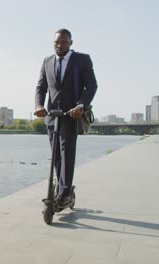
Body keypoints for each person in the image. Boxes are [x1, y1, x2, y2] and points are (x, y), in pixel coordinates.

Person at [34, 28, 98, 207]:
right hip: (52, 116)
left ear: (70, 43)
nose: (59, 45)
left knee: (66, 152)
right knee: (56, 155)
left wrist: (80, 105)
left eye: (63, 42)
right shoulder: (47, 62)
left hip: (71, 114)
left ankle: (64, 194)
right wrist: (39, 105)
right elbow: (41, 87)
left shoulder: (81, 60)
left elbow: (92, 85)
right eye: (56, 42)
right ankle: (64, 189)